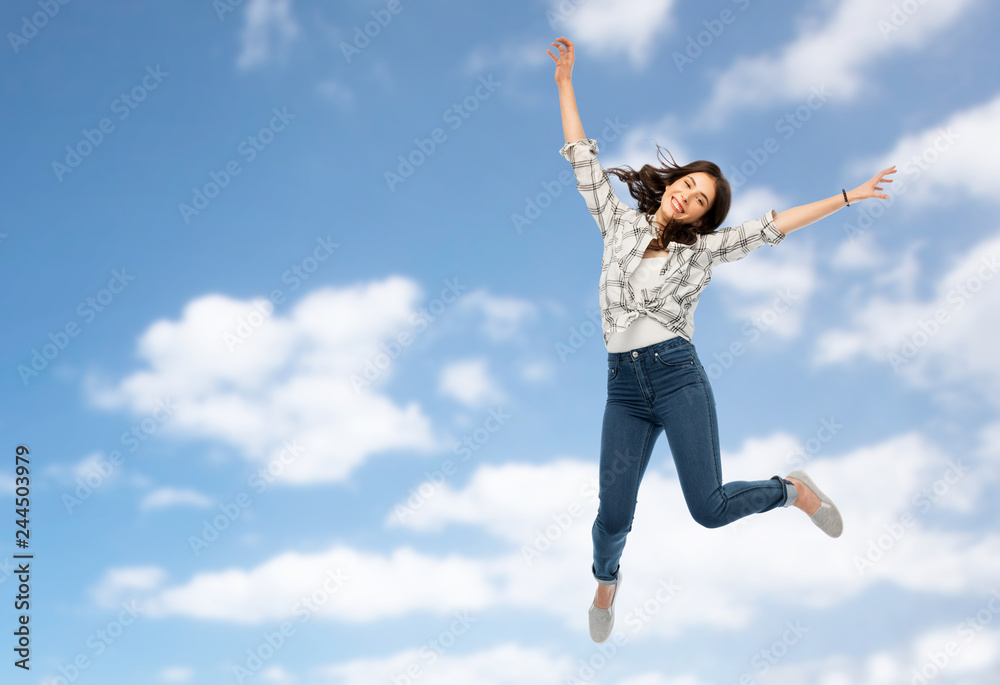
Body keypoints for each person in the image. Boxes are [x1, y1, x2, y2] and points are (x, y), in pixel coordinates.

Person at [546, 36, 896, 644]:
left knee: (707, 510)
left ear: (701, 217)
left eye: (701, 200)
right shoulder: (618, 223)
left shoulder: (704, 251)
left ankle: (791, 490)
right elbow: (580, 155)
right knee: (612, 517)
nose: (687, 196)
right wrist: (564, 84)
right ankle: (607, 581)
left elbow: (771, 226)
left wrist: (848, 197)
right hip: (623, 388)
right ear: (673, 185)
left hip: (677, 376)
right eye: (687, 185)